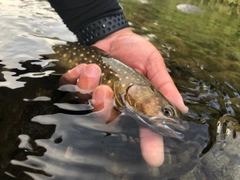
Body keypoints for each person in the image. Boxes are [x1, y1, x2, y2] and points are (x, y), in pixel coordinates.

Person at [47, 0, 188, 167]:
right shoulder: (134, 91)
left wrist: (109, 29)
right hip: (53, 52)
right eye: (166, 111)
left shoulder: (132, 92)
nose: (165, 115)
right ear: (141, 91)